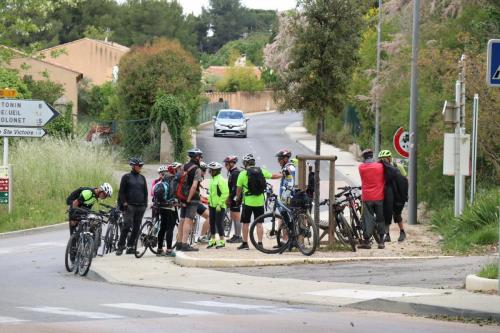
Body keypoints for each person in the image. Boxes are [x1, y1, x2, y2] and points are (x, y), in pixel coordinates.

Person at [235, 153, 278, 250]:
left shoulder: (242, 174)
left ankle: (245, 243)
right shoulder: (261, 171)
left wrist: (238, 199)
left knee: (245, 223)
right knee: (259, 223)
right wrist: (283, 175)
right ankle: (260, 243)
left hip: (247, 202)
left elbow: (238, 189)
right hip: (259, 202)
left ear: (245, 163)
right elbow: (273, 176)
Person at [116, 157, 148, 256]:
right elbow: (121, 192)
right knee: (127, 225)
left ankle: (130, 247)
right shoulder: (126, 177)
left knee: (136, 228)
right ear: (133, 166)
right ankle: (120, 246)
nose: (140, 167)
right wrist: (124, 202)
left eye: (141, 166)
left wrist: (145, 204)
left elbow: (145, 192)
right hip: (129, 206)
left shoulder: (142, 178)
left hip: (140, 206)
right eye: (139, 166)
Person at [378, 150, 408, 242]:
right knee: (386, 214)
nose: (383, 160)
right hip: (387, 193)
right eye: (381, 159)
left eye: (385, 158)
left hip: (397, 193)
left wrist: (404, 193)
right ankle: (387, 235)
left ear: (389, 158)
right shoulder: (380, 168)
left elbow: (405, 180)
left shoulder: (398, 166)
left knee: (397, 214)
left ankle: (402, 232)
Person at [176, 148, 204, 252]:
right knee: (189, 220)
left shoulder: (183, 166)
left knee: (182, 220)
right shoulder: (197, 169)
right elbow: (194, 186)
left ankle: (178, 243)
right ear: (196, 157)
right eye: (200, 156)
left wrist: (183, 198)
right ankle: (184, 244)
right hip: (191, 198)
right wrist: (189, 199)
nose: (201, 158)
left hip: (182, 196)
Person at [357, 149, 385, 249]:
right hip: (379, 197)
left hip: (367, 197)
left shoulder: (361, 168)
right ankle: (381, 241)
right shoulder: (380, 166)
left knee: (368, 219)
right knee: (381, 218)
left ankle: (367, 241)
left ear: (364, 157)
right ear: (372, 156)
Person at [153, 164, 178, 256]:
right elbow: (174, 193)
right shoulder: (173, 179)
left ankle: (159, 249)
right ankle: (169, 250)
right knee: (170, 229)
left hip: (161, 206)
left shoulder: (163, 179)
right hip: (170, 207)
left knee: (162, 228)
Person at [206, 162, 229, 249]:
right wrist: (209, 201)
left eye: (211, 170)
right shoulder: (212, 180)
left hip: (219, 206)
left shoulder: (221, 180)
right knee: (211, 222)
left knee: (219, 223)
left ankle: (222, 241)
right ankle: (213, 240)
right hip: (212, 205)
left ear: (216, 171)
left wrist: (220, 204)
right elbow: (212, 193)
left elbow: (225, 193)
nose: (209, 171)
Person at [224, 155, 243, 243]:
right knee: (234, 216)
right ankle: (236, 235)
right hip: (234, 197)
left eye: (226, 164)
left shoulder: (235, 173)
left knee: (236, 217)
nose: (225, 166)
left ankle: (238, 236)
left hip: (236, 198)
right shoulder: (233, 172)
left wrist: (230, 198)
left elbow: (235, 189)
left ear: (232, 163)